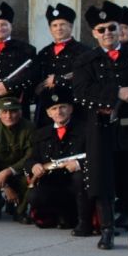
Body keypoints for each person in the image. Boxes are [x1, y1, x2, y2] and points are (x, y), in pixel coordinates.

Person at [71, 2, 128, 252]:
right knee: (104, 183)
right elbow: (80, 93)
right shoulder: (85, 61)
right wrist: (116, 93)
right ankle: (107, 232)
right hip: (103, 130)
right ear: (94, 33)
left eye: (111, 27)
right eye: (101, 29)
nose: (107, 33)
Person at [19, 87, 84, 230]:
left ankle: (76, 218)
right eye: (54, 108)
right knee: (34, 195)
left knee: (79, 181)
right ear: (48, 113)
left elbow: (96, 157)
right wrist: (34, 166)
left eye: (62, 107)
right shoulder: (41, 134)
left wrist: (79, 164)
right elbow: (30, 160)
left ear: (71, 109)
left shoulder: (84, 130)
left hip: (76, 186)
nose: (59, 112)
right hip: (52, 183)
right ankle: (54, 215)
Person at [0, 96, 35, 221]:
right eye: (4, 112)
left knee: (29, 182)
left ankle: (20, 211)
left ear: (20, 112)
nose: (9, 116)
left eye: (13, 111)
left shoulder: (29, 128)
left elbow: (30, 156)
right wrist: (5, 187)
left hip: (19, 172)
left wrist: (9, 171)